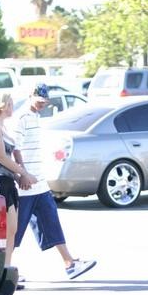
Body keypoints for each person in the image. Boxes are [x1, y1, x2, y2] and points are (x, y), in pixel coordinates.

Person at [9, 83, 96, 280]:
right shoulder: (21, 118)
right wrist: (22, 173)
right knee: (15, 232)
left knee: (51, 222)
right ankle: (4, 269)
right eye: (39, 102)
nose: (42, 105)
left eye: (45, 103)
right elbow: (15, 148)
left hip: (39, 184)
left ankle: (70, 263)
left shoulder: (36, 117)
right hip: (25, 187)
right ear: (31, 96)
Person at [0, 91, 36, 274]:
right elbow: (1, 157)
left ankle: (7, 268)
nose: (13, 107)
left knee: (12, 229)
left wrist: (19, 177)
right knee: (0, 232)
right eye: (10, 103)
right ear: (2, 105)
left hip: (9, 181)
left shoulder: (4, 127)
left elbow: (12, 154)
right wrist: (24, 173)